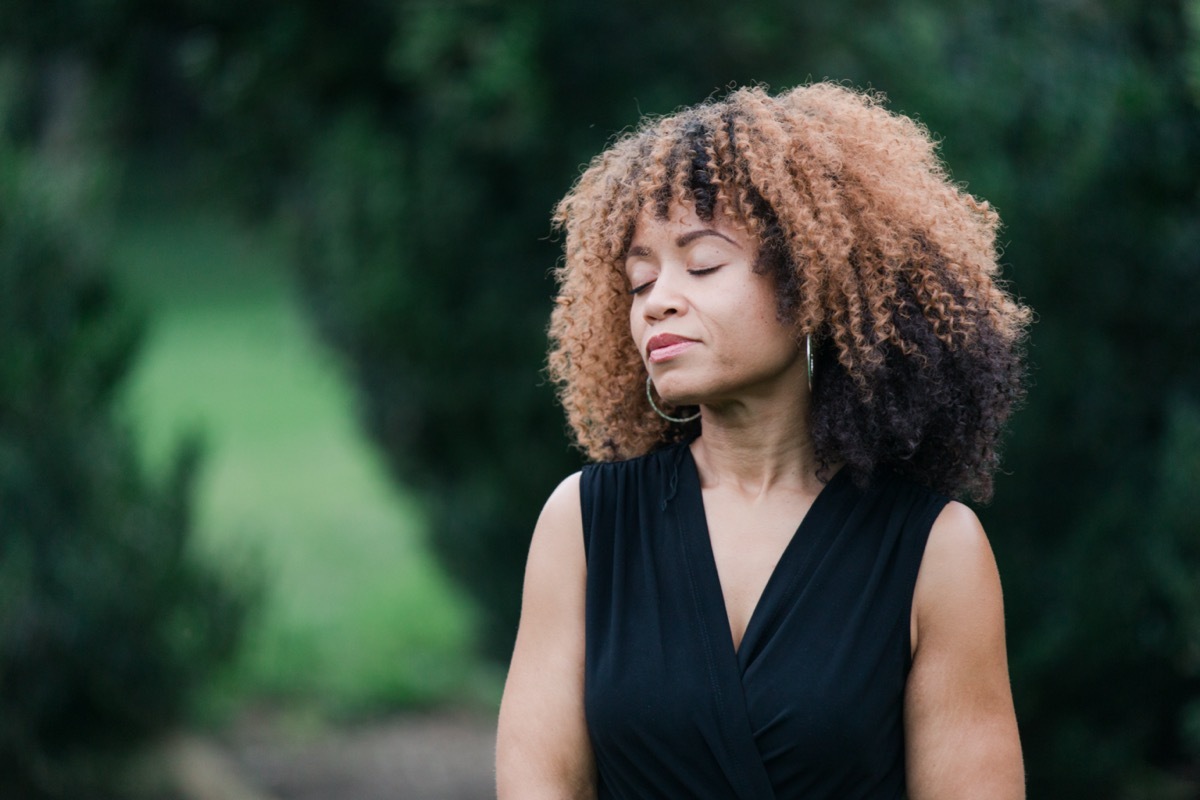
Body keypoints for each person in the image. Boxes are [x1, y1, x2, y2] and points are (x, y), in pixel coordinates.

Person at [496, 82, 1030, 799]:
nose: (659, 299)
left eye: (703, 264)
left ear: (812, 283)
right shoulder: (585, 526)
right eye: (638, 279)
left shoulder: (937, 550)